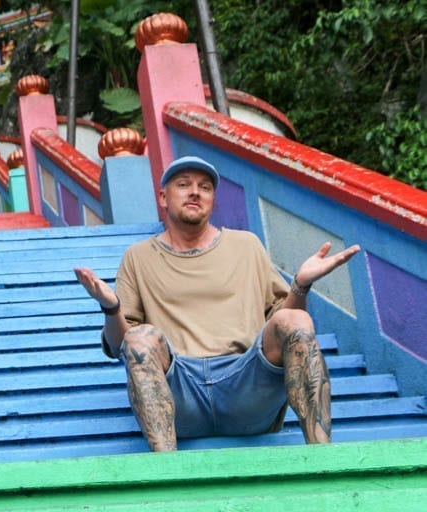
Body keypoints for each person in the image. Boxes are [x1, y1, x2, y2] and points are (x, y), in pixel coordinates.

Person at [74, 156, 360, 451]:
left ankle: (324, 457)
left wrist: (300, 286)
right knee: (139, 337)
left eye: (205, 187)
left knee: (298, 321)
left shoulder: (246, 245)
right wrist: (111, 308)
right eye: (183, 184)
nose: (195, 192)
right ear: (163, 196)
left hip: (246, 389)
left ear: (213, 199)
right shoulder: (138, 257)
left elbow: (283, 326)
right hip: (180, 395)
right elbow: (121, 345)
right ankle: (166, 474)